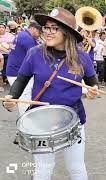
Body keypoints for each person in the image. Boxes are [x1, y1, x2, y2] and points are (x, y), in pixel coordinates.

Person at [2, 8, 98, 180]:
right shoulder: (34, 53)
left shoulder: (81, 57)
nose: (47, 32)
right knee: (43, 168)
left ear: (67, 32)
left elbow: (93, 84)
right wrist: (10, 98)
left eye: (54, 28)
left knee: (76, 167)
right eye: (46, 27)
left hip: (73, 121)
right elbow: (20, 81)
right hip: (42, 123)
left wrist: (93, 91)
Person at [6, 21, 42, 115]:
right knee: (24, 101)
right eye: (39, 32)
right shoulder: (27, 38)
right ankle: (25, 123)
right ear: (33, 29)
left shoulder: (22, 34)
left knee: (25, 98)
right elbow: (36, 56)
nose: (40, 35)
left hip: (14, 69)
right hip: (17, 72)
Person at [0, 22, 15, 91]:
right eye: (0, 27)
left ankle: (6, 78)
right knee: (1, 68)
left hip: (8, 53)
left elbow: (13, 44)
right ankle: (3, 79)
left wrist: (8, 46)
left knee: (7, 66)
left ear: (5, 28)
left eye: (2, 27)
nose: (1, 29)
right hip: (0, 54)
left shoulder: (10, 35)